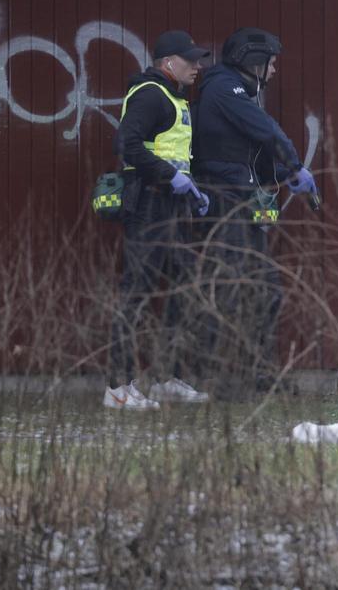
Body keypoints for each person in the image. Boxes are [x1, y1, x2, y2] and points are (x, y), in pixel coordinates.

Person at [190, 27, 318, 399]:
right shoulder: (223, 89)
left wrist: (281, 176)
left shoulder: (240, 92)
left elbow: (247, 155)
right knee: (229, 289)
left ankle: (261, 374)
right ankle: (218, 378)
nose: (275, 71)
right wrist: (294, 165)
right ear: (253, 61)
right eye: (271, 63)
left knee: (265, 290)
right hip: (225, 201)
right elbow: (266, 131)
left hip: (243, 198)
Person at [105, 30, 212, 410]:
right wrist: (171, 177)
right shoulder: (151, 94)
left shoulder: (173, 97)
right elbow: (126, 144)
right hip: (150, 204)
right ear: (169, 62)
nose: (198, 66)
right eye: (191, 60)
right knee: (136, 293)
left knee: (183, 290)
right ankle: (117, 389)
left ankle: (168, 378)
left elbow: (172, 153)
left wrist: (192, 190)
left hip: (172, 205)